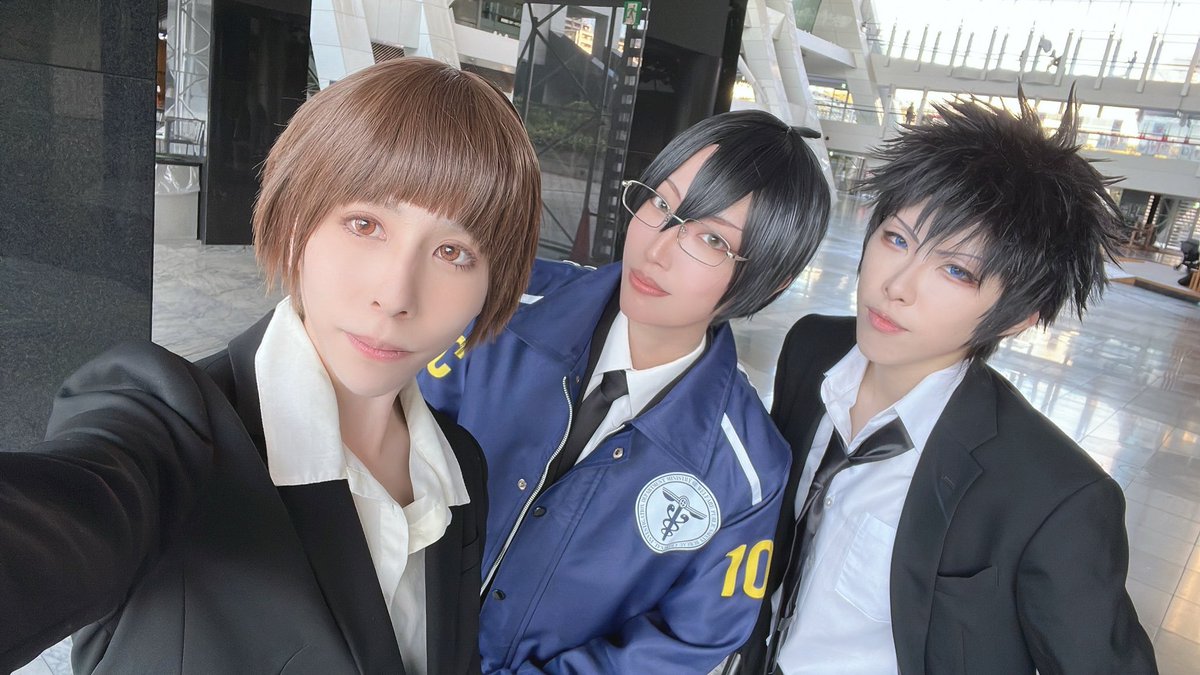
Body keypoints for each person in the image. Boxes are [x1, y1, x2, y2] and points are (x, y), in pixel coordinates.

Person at [0, 57, 541, 674]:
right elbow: (61, 516)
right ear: (296, 222)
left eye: (453, 251)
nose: (396, 296)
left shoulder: (459, 466)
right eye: (365, 224)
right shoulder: (171, 424)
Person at [734, 90, 1157, 674]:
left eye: (956, 270)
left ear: (1016, 317)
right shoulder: (812, 349)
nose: (897, 286)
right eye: (896, 239)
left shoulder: (1054, 496)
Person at [420, 110, 831, 673]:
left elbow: (684, 644)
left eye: (711, 239)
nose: (656, 249)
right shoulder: (502, 307)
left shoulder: (747, 470)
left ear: (770, 280)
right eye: (661, 204)